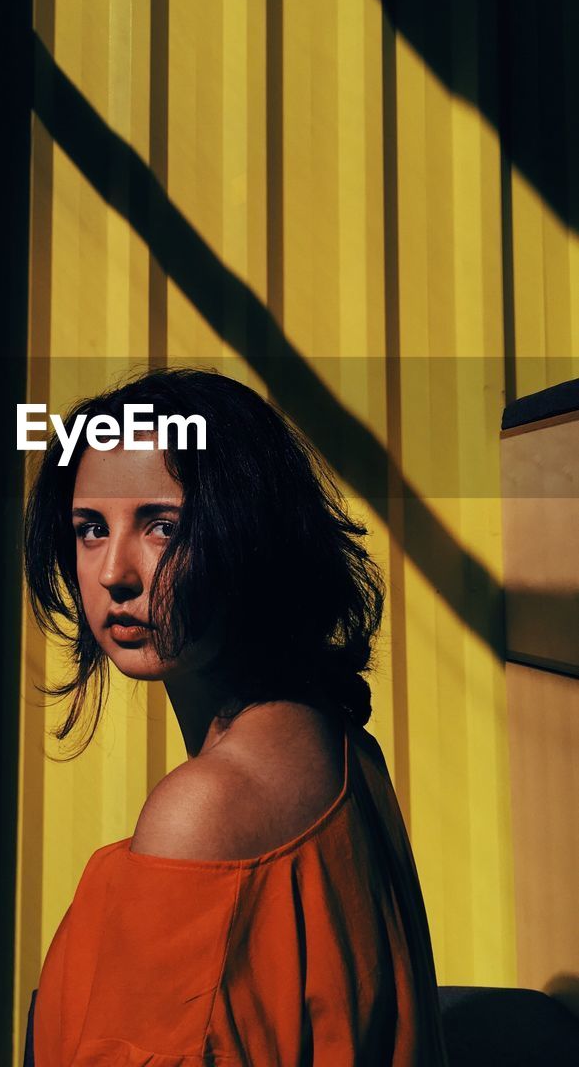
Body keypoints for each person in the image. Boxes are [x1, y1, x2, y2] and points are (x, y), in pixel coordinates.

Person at [22, 367, 449, 1066]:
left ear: (248, 534)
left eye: (163, 526)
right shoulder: (335, 739)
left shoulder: (205, 810)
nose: (113, 574)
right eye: (90, 529)